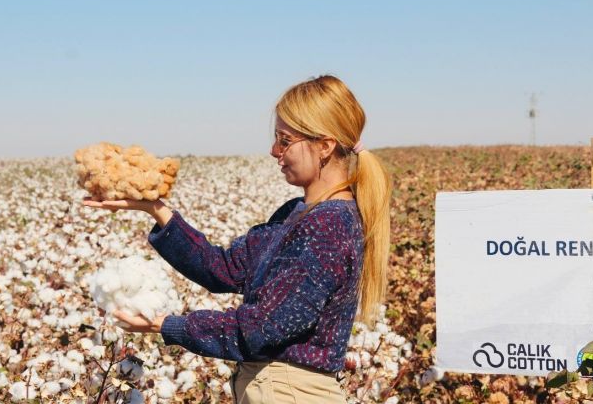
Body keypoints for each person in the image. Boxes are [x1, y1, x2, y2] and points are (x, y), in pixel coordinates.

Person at [83, 75, 392, 404]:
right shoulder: (296, 213)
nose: (275, 151)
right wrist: (156, 210)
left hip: (291, 392)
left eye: (285, 140)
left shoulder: (328, 225)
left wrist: (167, 325)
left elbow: (265, 327)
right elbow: (223, 270)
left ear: (325, 146)